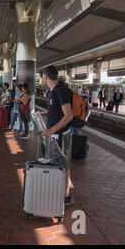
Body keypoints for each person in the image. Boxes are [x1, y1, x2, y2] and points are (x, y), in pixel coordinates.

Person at [40, 66, 74, 206]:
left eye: (42, 76)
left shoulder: (61, 91)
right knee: (55, 163)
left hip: (60, 136)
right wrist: (45, 113)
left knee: (63, 165)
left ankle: (65, 197)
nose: (42, 78)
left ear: (46, 77)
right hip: (54, 136)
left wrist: (52, 130)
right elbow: (57, 110)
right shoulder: (52, 92)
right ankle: (55, 191)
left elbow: (68, 116)